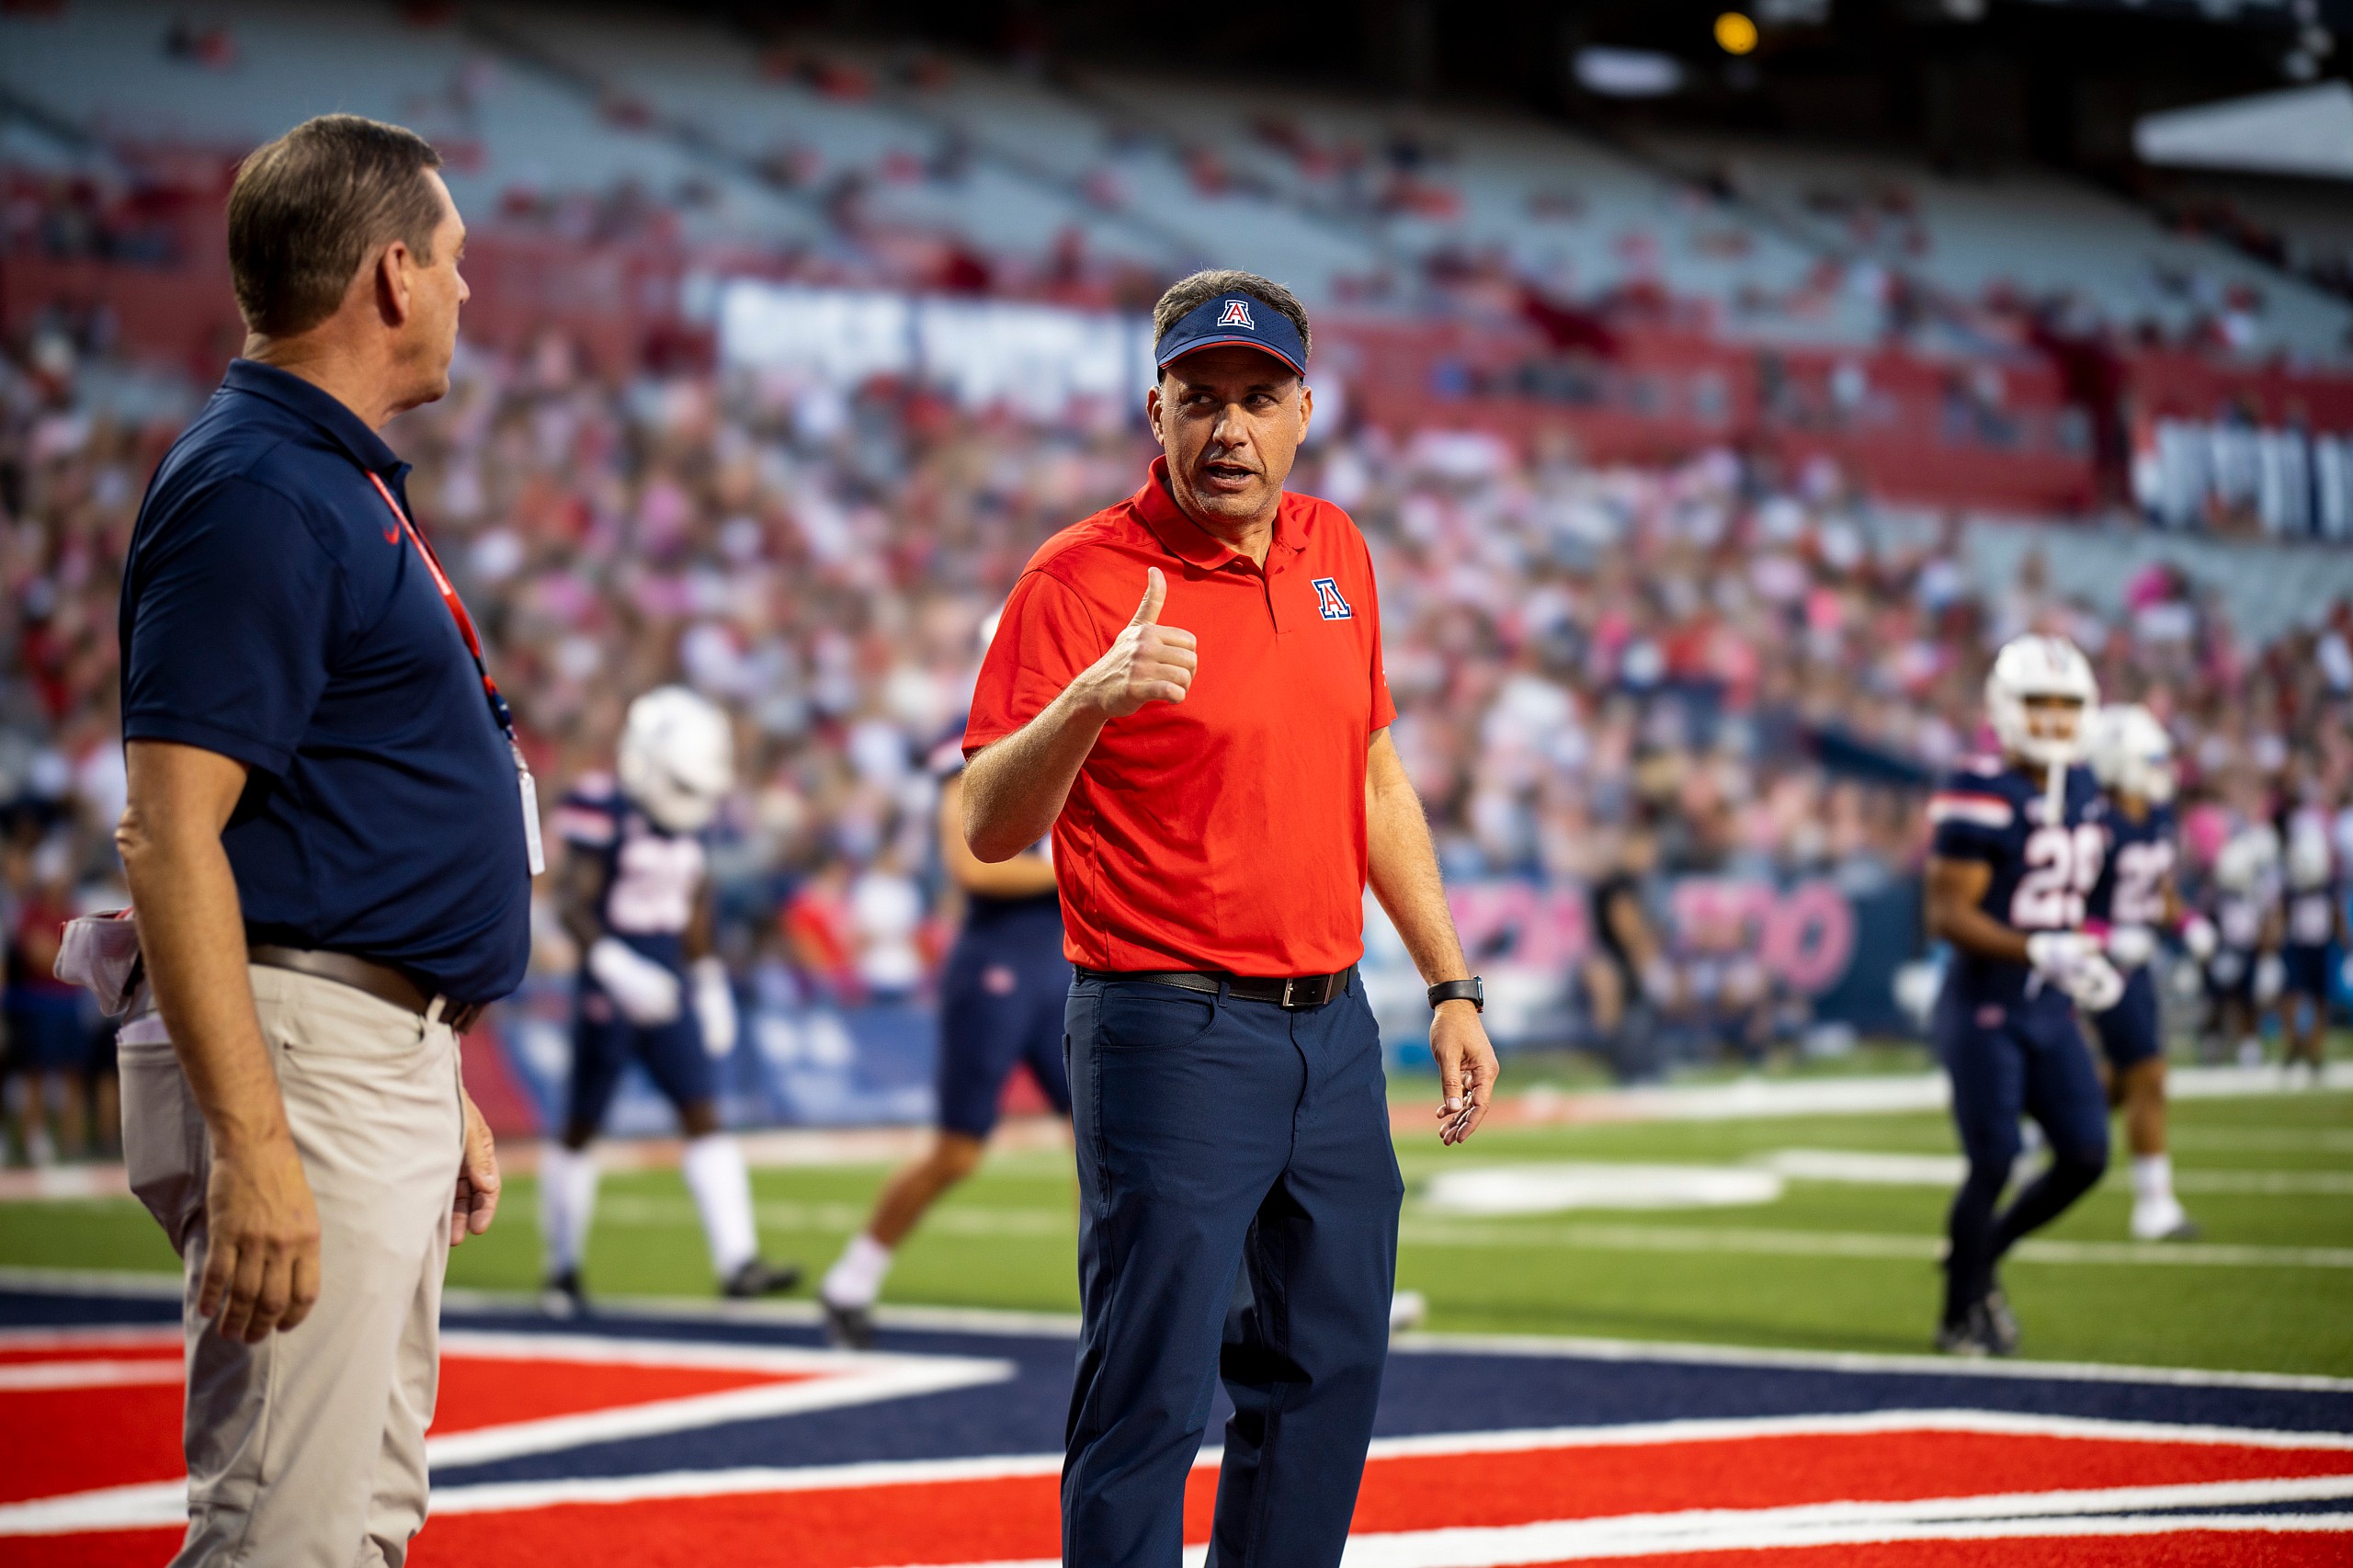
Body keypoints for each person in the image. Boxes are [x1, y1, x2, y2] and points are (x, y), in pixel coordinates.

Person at [961, 268, 1499, 1568]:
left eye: (1259, 399)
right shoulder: (1080, 576)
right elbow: (985, 820)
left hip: (1334, 1027)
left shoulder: (1339, 551)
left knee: (1326, 1372)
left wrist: (1450, 981)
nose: (1228, 430)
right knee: (1150, 1391)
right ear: (1156, 408)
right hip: (1166, 1020)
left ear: (1304, 409)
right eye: (1200, 398)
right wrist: (1087, 699)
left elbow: (1372, 775)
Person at [110, 115, 517, 1564]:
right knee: (285, 1522)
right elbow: (170, 835)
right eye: (458, 262)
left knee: (355, 1520)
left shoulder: (318, 478)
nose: (473, 293)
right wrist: (257, 1141)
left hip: (356, 1045)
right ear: (394, 275)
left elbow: (333, 819)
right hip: (299, 1058)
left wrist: (428, 1047)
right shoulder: (266, 487)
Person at [540, 686, 800, 1315]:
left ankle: (738, 1260)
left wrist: (708, 978)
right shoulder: (602, 807)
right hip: (614, 977)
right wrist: (612, 964)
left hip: (670, 977)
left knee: (703, 1113)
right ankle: (562, 1269)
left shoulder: (694, 815)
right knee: (582, 1123)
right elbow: (571, 899)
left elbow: (696, 898)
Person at [819, 713, 1071, 1348]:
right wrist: (1082, 867)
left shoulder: (1097, 711)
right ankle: (852, 1278)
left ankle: (1110, 1299)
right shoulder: (975, 732)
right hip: (996, 966)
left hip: (1066, 962)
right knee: (958, 1150)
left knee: (1099, 1144)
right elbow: (974, 866)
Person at [1923, 634, 2117, 1358]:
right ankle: (1956, 1314)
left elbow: (2072, 895)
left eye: (2068, 705)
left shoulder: (2086, 788)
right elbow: (1946, 915)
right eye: (2040, 703)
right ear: (2005, 707)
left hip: (2046, 1002)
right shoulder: (1978, 788)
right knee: (1996, 1157)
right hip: (1984, 1004)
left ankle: (1981, 1256)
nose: (2055, 720)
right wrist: (2039, 948)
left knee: (2087, 1152)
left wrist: (2090, 946)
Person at [2081, 703, 2196, 1241]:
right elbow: (2061, 902)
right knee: (2149, 1072)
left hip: (2139, 960)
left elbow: (2162, 893)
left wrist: (2188, 922)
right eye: (2148, 758)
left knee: (2130, 1078)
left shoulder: (2155, 816)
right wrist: (2105, 936)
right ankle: (2154, 1206)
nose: (2158, 768)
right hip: (2097, 964)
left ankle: (2054, 1128)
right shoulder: (2093, 822)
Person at [4, 847, 85, 1164]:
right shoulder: (31, 912)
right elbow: (40, 957)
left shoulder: (72, 911)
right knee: (35, 1075)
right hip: (38, 1005)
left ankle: (72, 1140)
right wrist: (64, 959)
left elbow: (74, 960)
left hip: (67, 1004)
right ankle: (33, 1140)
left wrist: (60, 958)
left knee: (73, 1074)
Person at [2203, 824, 2282, 1066]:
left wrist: (2267, 953)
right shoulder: (2217, 895)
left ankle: (2249, 1048)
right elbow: (2210, 922)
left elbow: (2266, 923)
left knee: (2248, 1003)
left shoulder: (2255, 892)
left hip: (2248, 951)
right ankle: (2213, 1047)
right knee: (2217, 1001)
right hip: (2224, 950)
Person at [2279, 822, 2343, 1085]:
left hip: (2320, 947)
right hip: (2297, 947)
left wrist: (2345, 944)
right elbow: (2281, 917)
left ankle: (2314, 1048)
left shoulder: (2327, 887)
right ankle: (2294, 1043)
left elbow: (2335, 915)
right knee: (2293, 996)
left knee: (2319, 999)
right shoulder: (2291, 890)